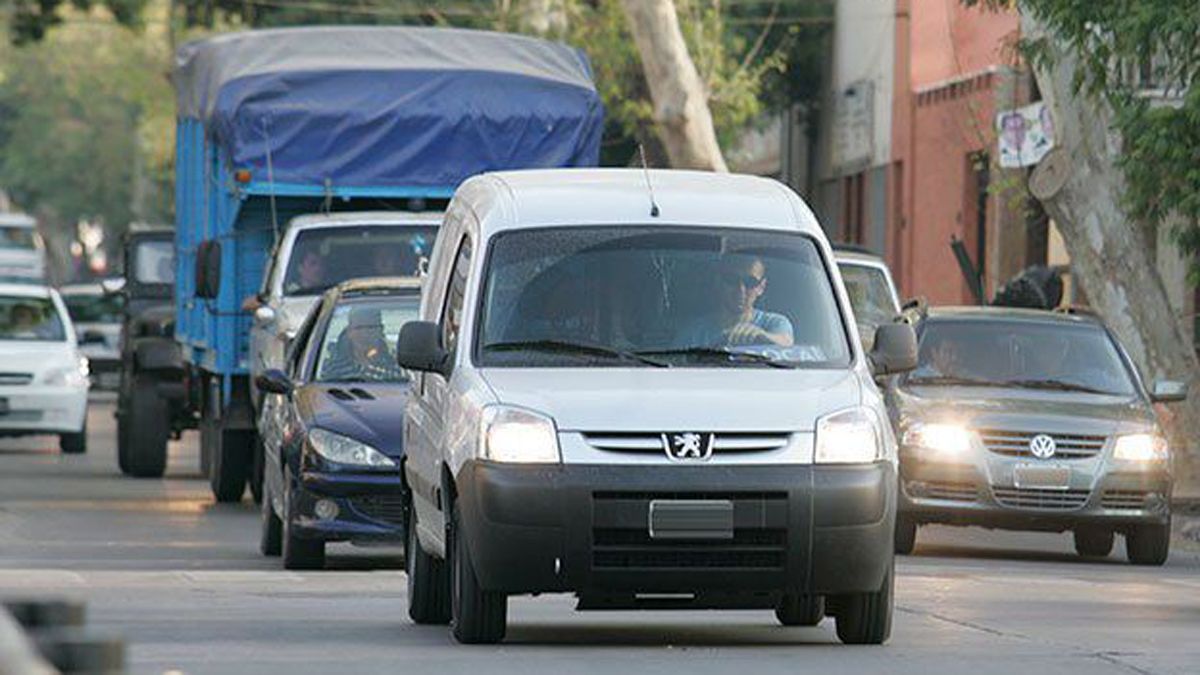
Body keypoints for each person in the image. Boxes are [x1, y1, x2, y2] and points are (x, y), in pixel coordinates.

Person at [680, 254, 794, 348]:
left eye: (750, 282)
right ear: (718, 282)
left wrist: (762, 336)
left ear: (761, 287)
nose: (741, 290)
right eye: (732, 280)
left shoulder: (774, 323)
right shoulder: (695, 333)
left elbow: (786, 342)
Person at [320, 307, 404, 382]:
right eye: (359, 328)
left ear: (381, 330)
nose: (365, 334)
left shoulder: (397, 364)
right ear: (349, 332)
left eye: (371, 328)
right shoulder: (333, 367)